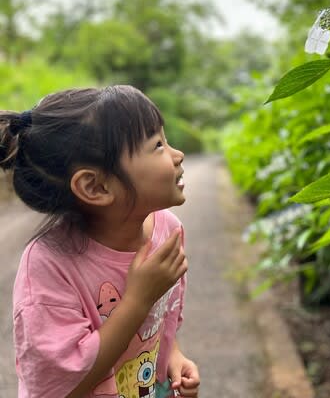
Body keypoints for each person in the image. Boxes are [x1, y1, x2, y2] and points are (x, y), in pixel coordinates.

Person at [0, 85, 200, 398]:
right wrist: (137, 300)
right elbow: (61, 386)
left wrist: (174, 356)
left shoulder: (167, 230)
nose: (178, 155)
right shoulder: (49, 267)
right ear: (95, 187)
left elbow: (161, 321)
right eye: (158, 145)